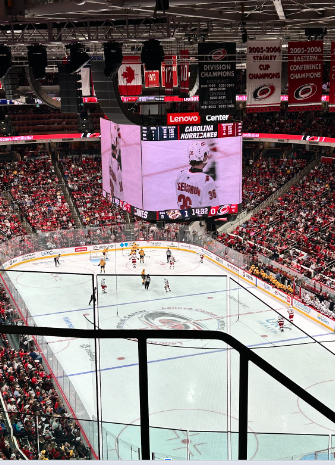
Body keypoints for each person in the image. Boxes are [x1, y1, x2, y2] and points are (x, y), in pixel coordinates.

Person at [175, 141, 217, 209]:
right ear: (203, 157)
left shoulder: (181, 175)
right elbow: (213, 210)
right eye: (206, 154)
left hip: (182, 217)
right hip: (199, 218)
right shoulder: (206, 181)